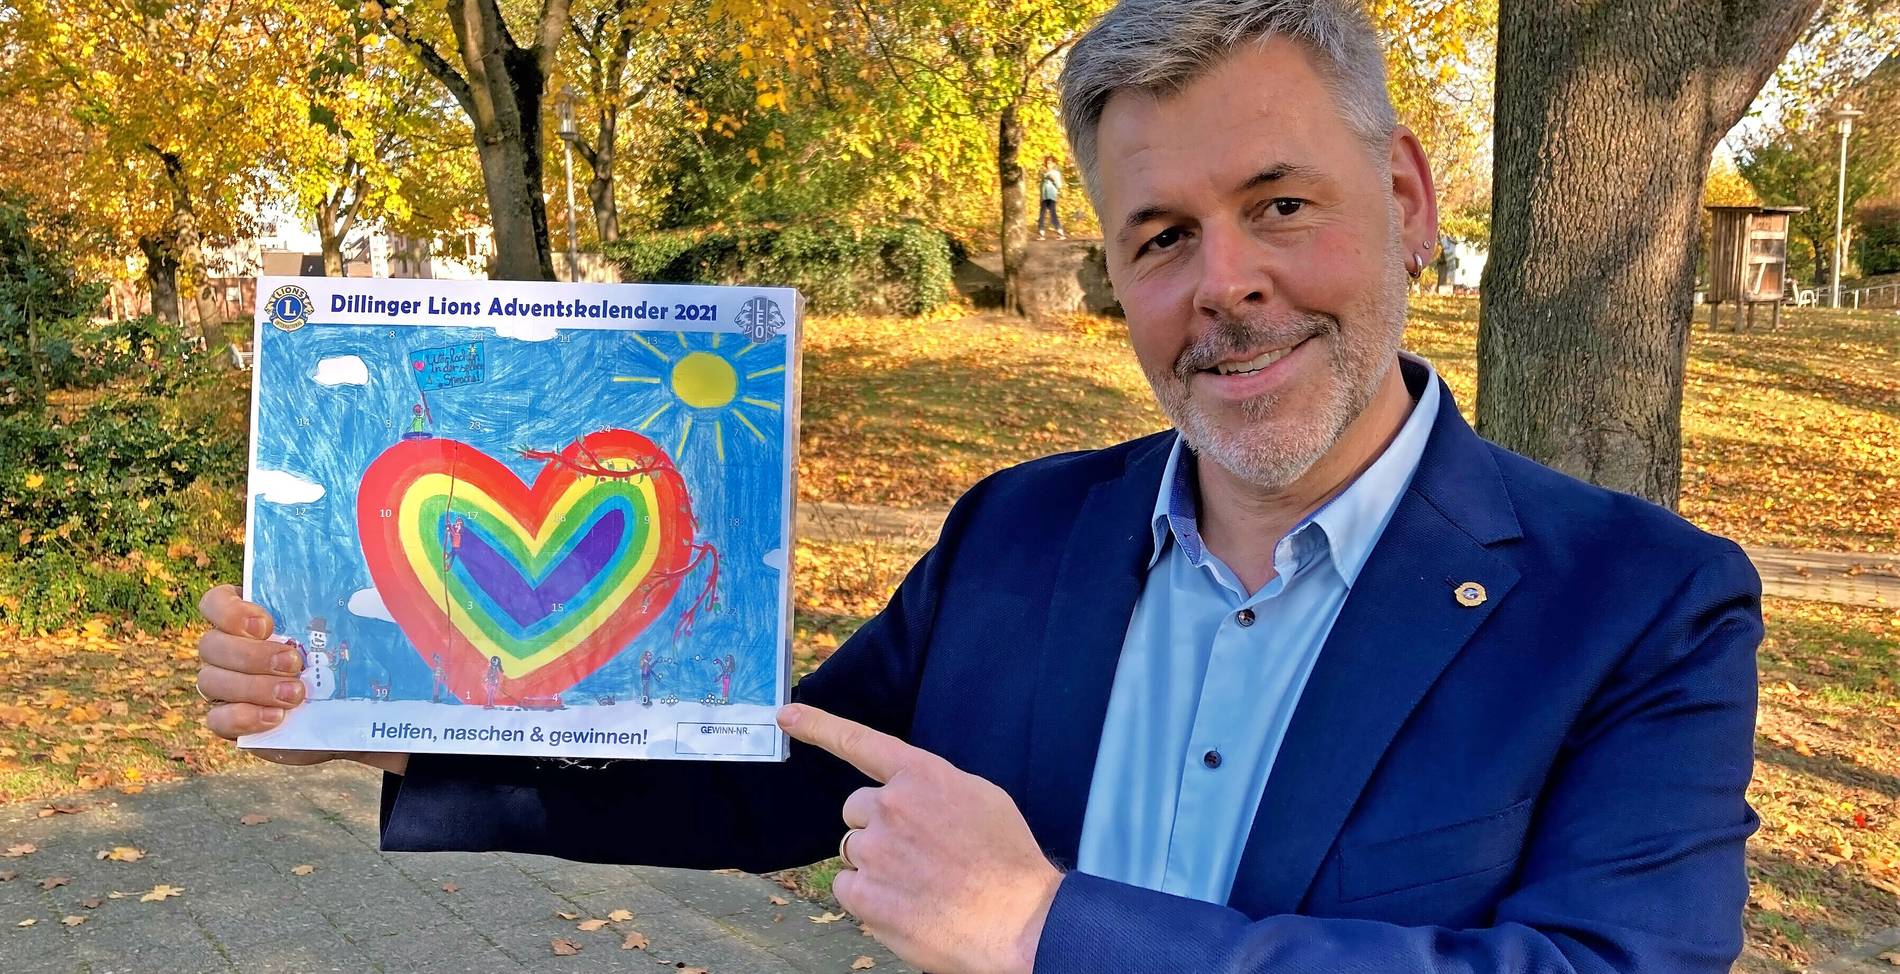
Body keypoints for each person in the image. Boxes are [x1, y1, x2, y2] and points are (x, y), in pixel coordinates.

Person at [192, 2, 1761, 971]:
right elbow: (783, 776)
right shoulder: (1022, 532)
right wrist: (420, 711)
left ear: (1409, 199)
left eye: (1282, 204)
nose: (1227, 286)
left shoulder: (1640, 604)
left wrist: (1042, 928)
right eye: (1161, 237)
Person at [1037, 155, 1067, 240]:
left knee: (1053, 214)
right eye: (1047, 163)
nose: (1048, 164)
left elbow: (1059, 186)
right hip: (1044, 196)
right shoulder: (1043, 173)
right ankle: (1041, 233)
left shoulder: (1056, 173)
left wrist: (1054, 179)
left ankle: (1060, 232)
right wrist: (1040, 197)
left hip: (1051, 196)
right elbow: (1041, 186)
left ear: (1054, 164)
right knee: (1042, 215)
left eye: (1050, 163)